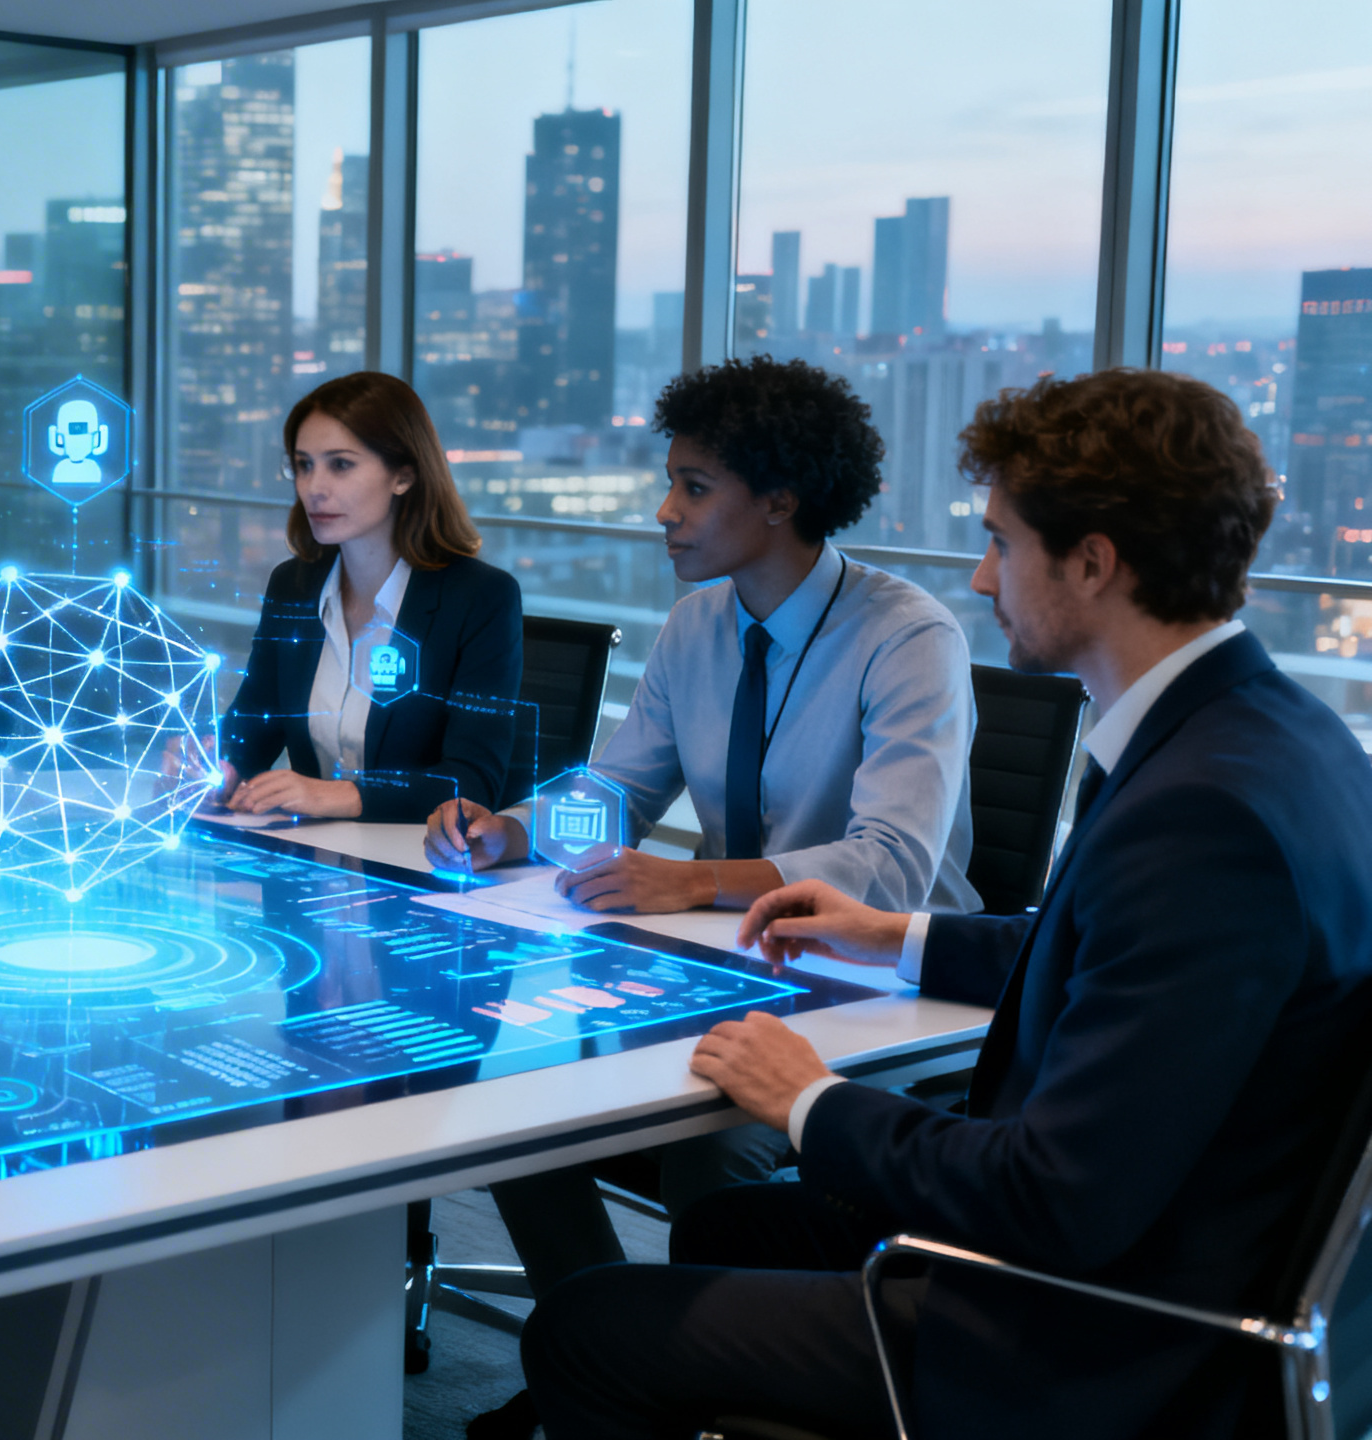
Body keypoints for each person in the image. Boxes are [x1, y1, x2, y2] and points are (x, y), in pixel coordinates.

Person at [520, 367, 1372, 1439]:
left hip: (1085, 1339)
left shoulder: (1204, 819)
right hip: (1158, 1255)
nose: (978, 577)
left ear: (1093, 564)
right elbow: (1113, 955)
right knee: (734, 1223)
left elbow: (1053, 1196)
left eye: (1001, 543)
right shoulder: (1273, 737)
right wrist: (905, 937)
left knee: (583, 1329)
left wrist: (809, 1100)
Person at [423, 357, 979, 1436]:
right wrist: (514, 828)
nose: (664, 514)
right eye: (668, 483)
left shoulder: (907, 635)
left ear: (778, 501)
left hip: (884, 988)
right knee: (511, 1117)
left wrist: (694, 881)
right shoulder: (696, 626)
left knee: (713, 1149)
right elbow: (619, 786)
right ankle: (606, 1355)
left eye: (692, 487)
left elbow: (889, 864)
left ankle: (701, 1375)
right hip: (731, 964)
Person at [197, 371, 523, 822]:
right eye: (304, 465)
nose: (314, 487)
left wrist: (336, 795)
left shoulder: (480, 598)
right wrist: (215, 765)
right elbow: (254, 725)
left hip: (418, 867)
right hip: (308, 856)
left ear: (403, 476)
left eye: (341, 464)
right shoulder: (293, 586)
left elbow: (473, 780)